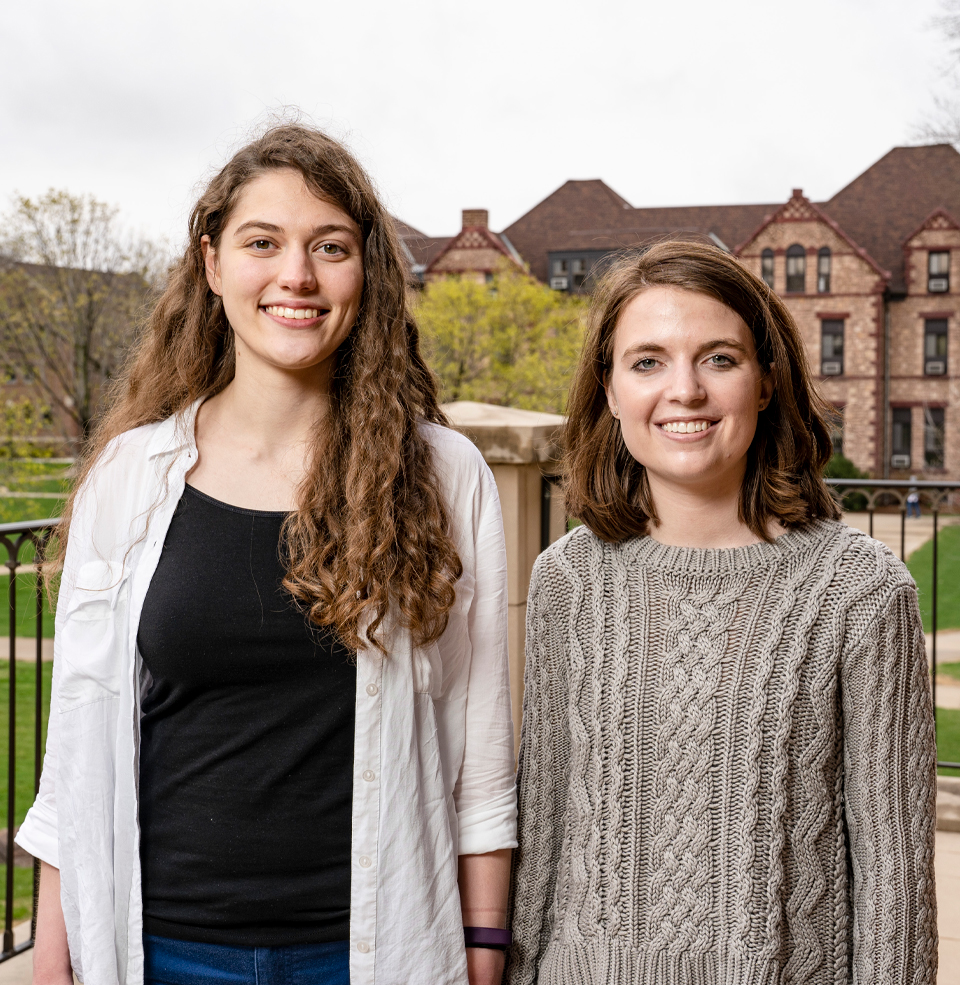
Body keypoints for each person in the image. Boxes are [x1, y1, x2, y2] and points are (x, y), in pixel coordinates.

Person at [17, 124, 517, 985]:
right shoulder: (130, 478)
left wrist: (483, 955)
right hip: (164, 950)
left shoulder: (442, 477)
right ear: (212, 266)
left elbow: (480, 757)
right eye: (263, 243)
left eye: (331, 247)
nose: (297, 275)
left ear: (369, 274)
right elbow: (77, 753)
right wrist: (53, 960)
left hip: (370, 952)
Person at [507, 241, 937, 984]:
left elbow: (895, 874)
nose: (685, 391)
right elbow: (542, 830)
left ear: (766, 382)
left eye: (719, 359)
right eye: (647, 361)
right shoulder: (566, 580)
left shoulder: (862, 591)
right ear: (609, 389)